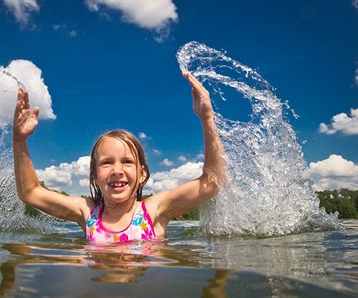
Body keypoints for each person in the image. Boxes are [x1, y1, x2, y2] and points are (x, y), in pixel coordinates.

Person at [12, 72, 225, 244]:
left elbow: (211, 183)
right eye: (106, 163)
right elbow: (30, 192)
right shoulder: (86, 212)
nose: (117, 170)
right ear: (95, 176)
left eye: (127, 161)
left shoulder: (154, 209)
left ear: (142, 174)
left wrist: (207, 118)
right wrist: (20, 140)